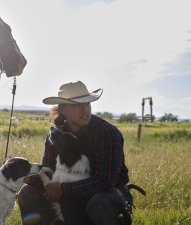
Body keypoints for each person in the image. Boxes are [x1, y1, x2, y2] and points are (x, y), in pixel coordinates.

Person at [18, 81, 134, 225]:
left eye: (88, 104)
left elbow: (106, 182)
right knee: (27, 193)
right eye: (77, 105)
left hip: (109, 193)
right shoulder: (56, 134)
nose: (85, 109)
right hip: (70, 192)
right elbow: (48, 171)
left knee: (100, 202)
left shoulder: (107, 133)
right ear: (63, 109)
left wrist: (63, 189)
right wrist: (24, 177)